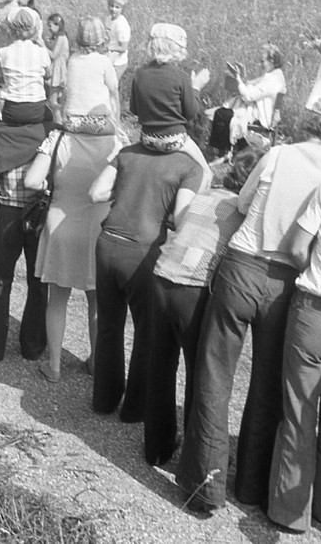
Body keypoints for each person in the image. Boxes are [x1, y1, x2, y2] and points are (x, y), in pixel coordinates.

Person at [176, 110, 321, 513]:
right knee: (266, 386)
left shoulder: (279, 154)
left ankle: (205, 486)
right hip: (287, 281)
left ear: (307, 130)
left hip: (243, 264)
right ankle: (250, 486)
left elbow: (244, 202)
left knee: (214, 375)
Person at [144, 147, 263, 467]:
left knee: (160, 366)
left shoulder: (204, 195)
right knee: (200, 373)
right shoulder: (243, 213)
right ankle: (195, 458)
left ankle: (156, 447)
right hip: (193, 290)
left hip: (161, 274)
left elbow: (179, 222)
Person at [88, 126, 205, 424]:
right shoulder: (188, 166)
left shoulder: (127, 154)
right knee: (146, 332)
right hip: (142, 251)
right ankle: (134, 408)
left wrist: (128, 190)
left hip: (107, 243)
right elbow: (181, 218)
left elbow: (96, 192)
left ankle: (103, 399)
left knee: (109, 326)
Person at [267, 174, 321, 532]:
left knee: (299, 414)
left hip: (316, 310)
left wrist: (314, 271)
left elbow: (296, 247)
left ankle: (290, 514)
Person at [25, 120, 121, 383]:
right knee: (96, 301)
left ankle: (54, 365)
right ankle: (96, 362)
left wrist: (50, 187)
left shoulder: (57, 138)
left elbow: (32, 180)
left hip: (61, 227)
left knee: (57, 299)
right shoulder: (115, 142)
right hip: (98, 228)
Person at [0, 109, 58, 362]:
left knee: (1, 278)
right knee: (38, 281)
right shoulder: (52, 132)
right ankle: (32, 346)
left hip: (8, 213)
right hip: (40, 212)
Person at [130, 22, 211, 182]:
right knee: (206, 172)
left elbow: (134, 109)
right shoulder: (182, 77)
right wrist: (195, 88)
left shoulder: (139, 74)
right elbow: (191, 113)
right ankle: (193, 205)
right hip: (174, 140)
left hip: (147, 139)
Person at [220, 44, 286, 147]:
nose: (260, 64)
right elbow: (252, 84)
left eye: (263, 61)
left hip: (262, 118)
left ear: (272, 61)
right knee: (224, 112)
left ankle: (224, 149)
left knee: (221, 114)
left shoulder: (272, 80)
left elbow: (248, 96)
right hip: (263, 112)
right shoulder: (276, 75)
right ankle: (228, 149)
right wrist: (242, 75)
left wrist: (237, 78)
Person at [64, 17, 119, 135]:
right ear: (100, 40)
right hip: (97, 122)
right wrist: (116, 121)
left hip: (72, 122)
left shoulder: (72, 60)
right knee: (121, 139)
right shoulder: (104, 61)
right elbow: (114, 89)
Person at [0, 9, 51, 125]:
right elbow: (48, 75)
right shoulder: (41, 51)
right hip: (36, 108)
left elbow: (1, 78)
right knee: (49, 118)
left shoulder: (4, 52)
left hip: (12, 108)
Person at [45, 13, 69, 123]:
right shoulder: (59, 37)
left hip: (58, 70)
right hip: (58, 68)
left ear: (57, 25)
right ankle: (59, 120)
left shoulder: (61, 37)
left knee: (52, 100)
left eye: (50, 26)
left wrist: (42, 46)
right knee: (58, 99)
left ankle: (59, 122)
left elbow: (54, 55)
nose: (49, 28)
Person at [103, 0, 131, 82]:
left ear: (122, 9)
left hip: (118, 62)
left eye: (117, 7)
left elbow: (123, 48)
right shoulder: (108, 19)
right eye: (111, 6)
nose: (113, 9)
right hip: (108, 58)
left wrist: (109, 48)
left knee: (111, 85)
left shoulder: (121, 25)